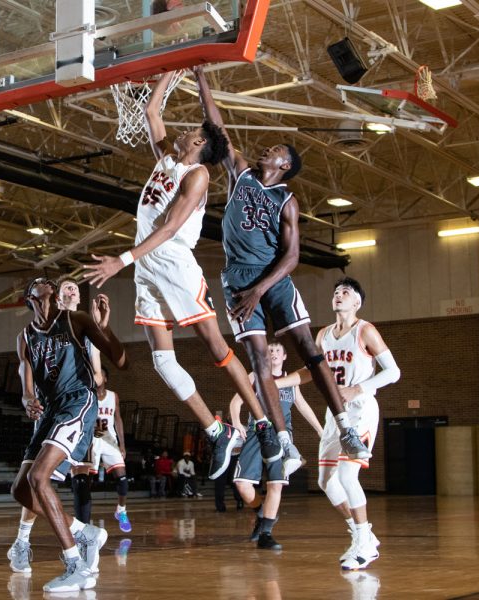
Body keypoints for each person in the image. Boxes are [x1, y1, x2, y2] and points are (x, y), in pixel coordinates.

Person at [83, 69, 286, 481]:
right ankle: (216, 431)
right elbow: (152, 111)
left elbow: (170, 227)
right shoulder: (167, 159)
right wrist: (168, 74)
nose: (181, 130)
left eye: (191, 130)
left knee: (214, 345)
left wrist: (120, 261)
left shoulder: (198, 175)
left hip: (174, 262)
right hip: (147, 266)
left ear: (198, 143)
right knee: (162, 361)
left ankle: (263, 425)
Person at [193, 66, 372, 475]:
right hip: (237, 279)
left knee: (309, 351)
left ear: (285, 164)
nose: (266, 150)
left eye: (275, 150)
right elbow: (217, 126)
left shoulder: (287, 201)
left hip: (273, 279)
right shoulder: (240, 174)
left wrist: (260, 290)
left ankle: (345, 426)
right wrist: (201, 79)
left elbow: (292, 257)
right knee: (259, 361)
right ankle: (284, 440)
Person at [9, 277, 127, 593]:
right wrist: (26, 396)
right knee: (21, 490)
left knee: (39, 479)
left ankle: (76, 565)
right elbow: (25, 370)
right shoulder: (25, 336)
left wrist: (104, 328)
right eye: (39, 282)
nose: (47, 281)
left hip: (78, 401)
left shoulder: (75, 320)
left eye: (51, 280)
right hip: (49, 410)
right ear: (29, 298)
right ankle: (86, 533)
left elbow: (121, 359)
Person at [277, 278, 400, 569]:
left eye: (346, 292)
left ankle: (363, 543)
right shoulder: (323, 336)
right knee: (325, 481)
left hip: (360, 410)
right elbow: (311, 373)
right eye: (336, 292)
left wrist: (358, 389)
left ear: (357, 302)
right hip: (335, 414)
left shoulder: (365, 330)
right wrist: (276, 382)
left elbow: (393, 372)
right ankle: (363, 534)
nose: (339, 295)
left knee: (347, 476)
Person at [229, 341, 323, 550]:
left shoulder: (291, 381)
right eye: (269, 350)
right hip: (257, 431)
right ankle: (263, 513)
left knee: (275, 483)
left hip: (281, 434)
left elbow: (303, 407)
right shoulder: (254, 376)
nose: (273, 353)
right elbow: (236, 402)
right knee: (242, 485)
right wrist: (236, 422)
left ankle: (266, 533)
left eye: (277, 350)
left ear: (284, 356)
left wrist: (320, 429)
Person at [88, 366, 133, 531]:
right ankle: (84, 518)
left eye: (101, 375)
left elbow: (118, 419)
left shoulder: (113, 396)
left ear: (105, 379)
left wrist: (122, 444)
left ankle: (121, 511)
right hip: (92, 440)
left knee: (122, 478)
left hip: (109, 440)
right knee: (86, 482)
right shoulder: (88, 395)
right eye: (95, 376)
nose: (98, 378)